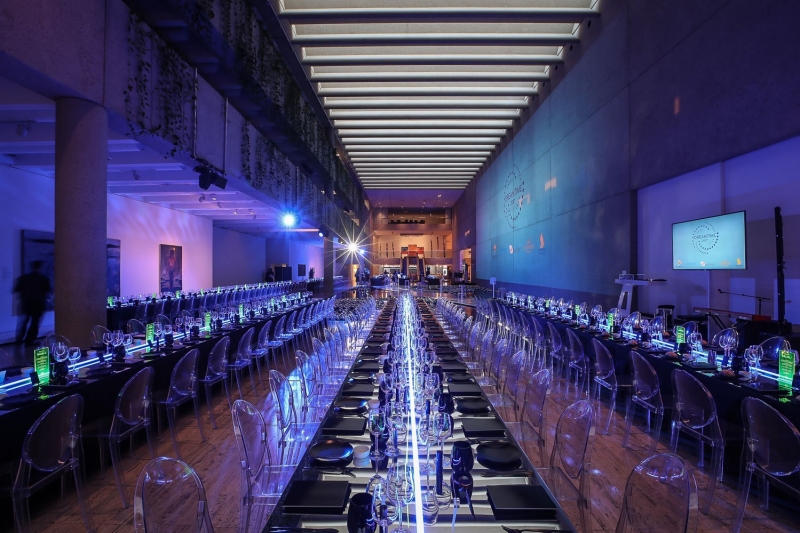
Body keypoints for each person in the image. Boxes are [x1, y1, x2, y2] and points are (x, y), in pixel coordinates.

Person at [14, 260, 51, 346]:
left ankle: (18, 340)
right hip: (38, 304)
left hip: (26, 304)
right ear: (39, 267)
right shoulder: (43, 278)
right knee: (35, 323)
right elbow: (47, 291)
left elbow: (16, 290)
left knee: (23, 322)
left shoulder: (23, 278)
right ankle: (29, 341)